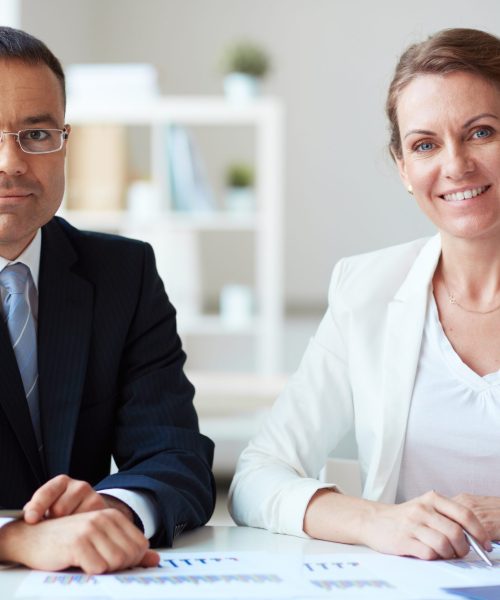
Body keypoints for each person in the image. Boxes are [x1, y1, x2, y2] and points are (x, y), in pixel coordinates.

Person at [229, 27, 500, 561]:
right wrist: (375, 520)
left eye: (481, 132)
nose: (455, 165)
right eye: (426, 145)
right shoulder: (368, 291)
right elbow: (256, 478)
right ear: (404, 168)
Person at [0, 26, 215, 573]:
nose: (12, 162)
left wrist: (113, 507)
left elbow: (178, 457)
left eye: (37, 134)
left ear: (65, 141)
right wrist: (14, 539)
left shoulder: (124, 273)